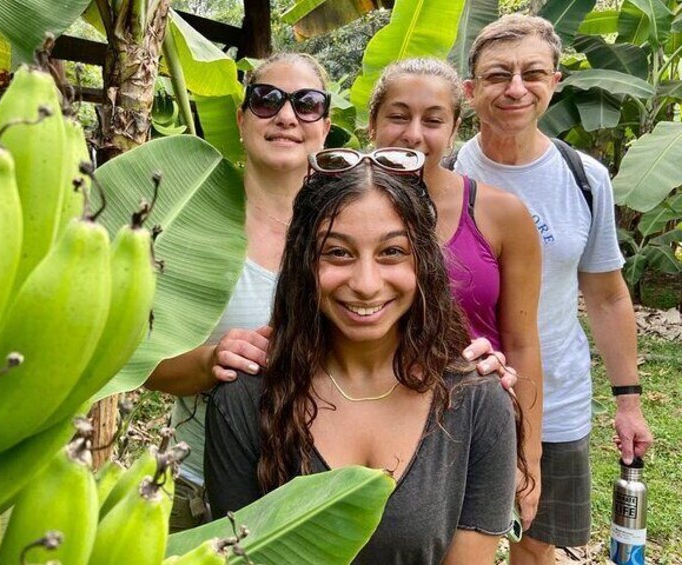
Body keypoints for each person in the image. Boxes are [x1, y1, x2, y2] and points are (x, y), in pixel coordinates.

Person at [145, 53, 513, 532]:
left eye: (307, 103)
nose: (285, 116)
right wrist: (209, 361)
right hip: (214, 470)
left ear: (326, 124)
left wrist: (475, 376)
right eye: (266, 100)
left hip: (370, 463)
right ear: (240, 119)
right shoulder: (187, 223)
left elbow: (416, 315)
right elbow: (133, 362)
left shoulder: (364, 211)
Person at [205, 155, 525, 564]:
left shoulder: (477, 401)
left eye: (392, 251)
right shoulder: (246, 399)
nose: (366, 284)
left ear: (423, 262)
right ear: (304, 263)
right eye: (338, 253)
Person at [454, 14, 653, 563]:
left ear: (554, 83)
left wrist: (628, 404)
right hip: (452, 397)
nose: (516, 88)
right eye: (498, 75)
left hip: (556, 400)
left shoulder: (585, 178)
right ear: (470, 91)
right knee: (446, 545)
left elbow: (608, 295)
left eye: (532, 73)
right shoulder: (443, 176)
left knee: (536, 548)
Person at [367, 58, 543, 529]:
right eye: (399, 116)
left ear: (454, 128)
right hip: (367, 418)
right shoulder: (340, 209)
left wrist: (528, 452)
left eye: (433, 119)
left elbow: (522, 342)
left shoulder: (501, 213)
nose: (413, 135)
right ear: (373, 123)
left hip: (474, 424)